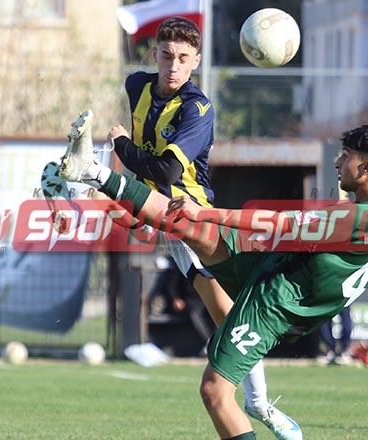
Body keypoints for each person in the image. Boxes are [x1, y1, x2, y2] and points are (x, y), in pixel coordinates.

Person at [49, 113, 368, 439]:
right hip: (275, 270)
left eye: (346, 156)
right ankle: (93, 172)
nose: (338, 162)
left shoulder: (353, 218)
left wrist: (204, 212)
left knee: (214, 392)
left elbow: (275, 220)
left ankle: (93, 176)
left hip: (272, 305)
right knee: (182, 226)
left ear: (367, 167)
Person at [107, 17, 300, 438]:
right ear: (154, 54)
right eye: (166, 55)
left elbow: (166, 168)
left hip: (191, 216)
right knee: (225, 313)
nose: (173, 66)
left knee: (228, 314)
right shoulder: (137, 85)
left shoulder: (198, 108)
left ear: (195, 61)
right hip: (155, 209)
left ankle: (260, 404)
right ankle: (258, 402)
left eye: (182, 58)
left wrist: (120, 144)